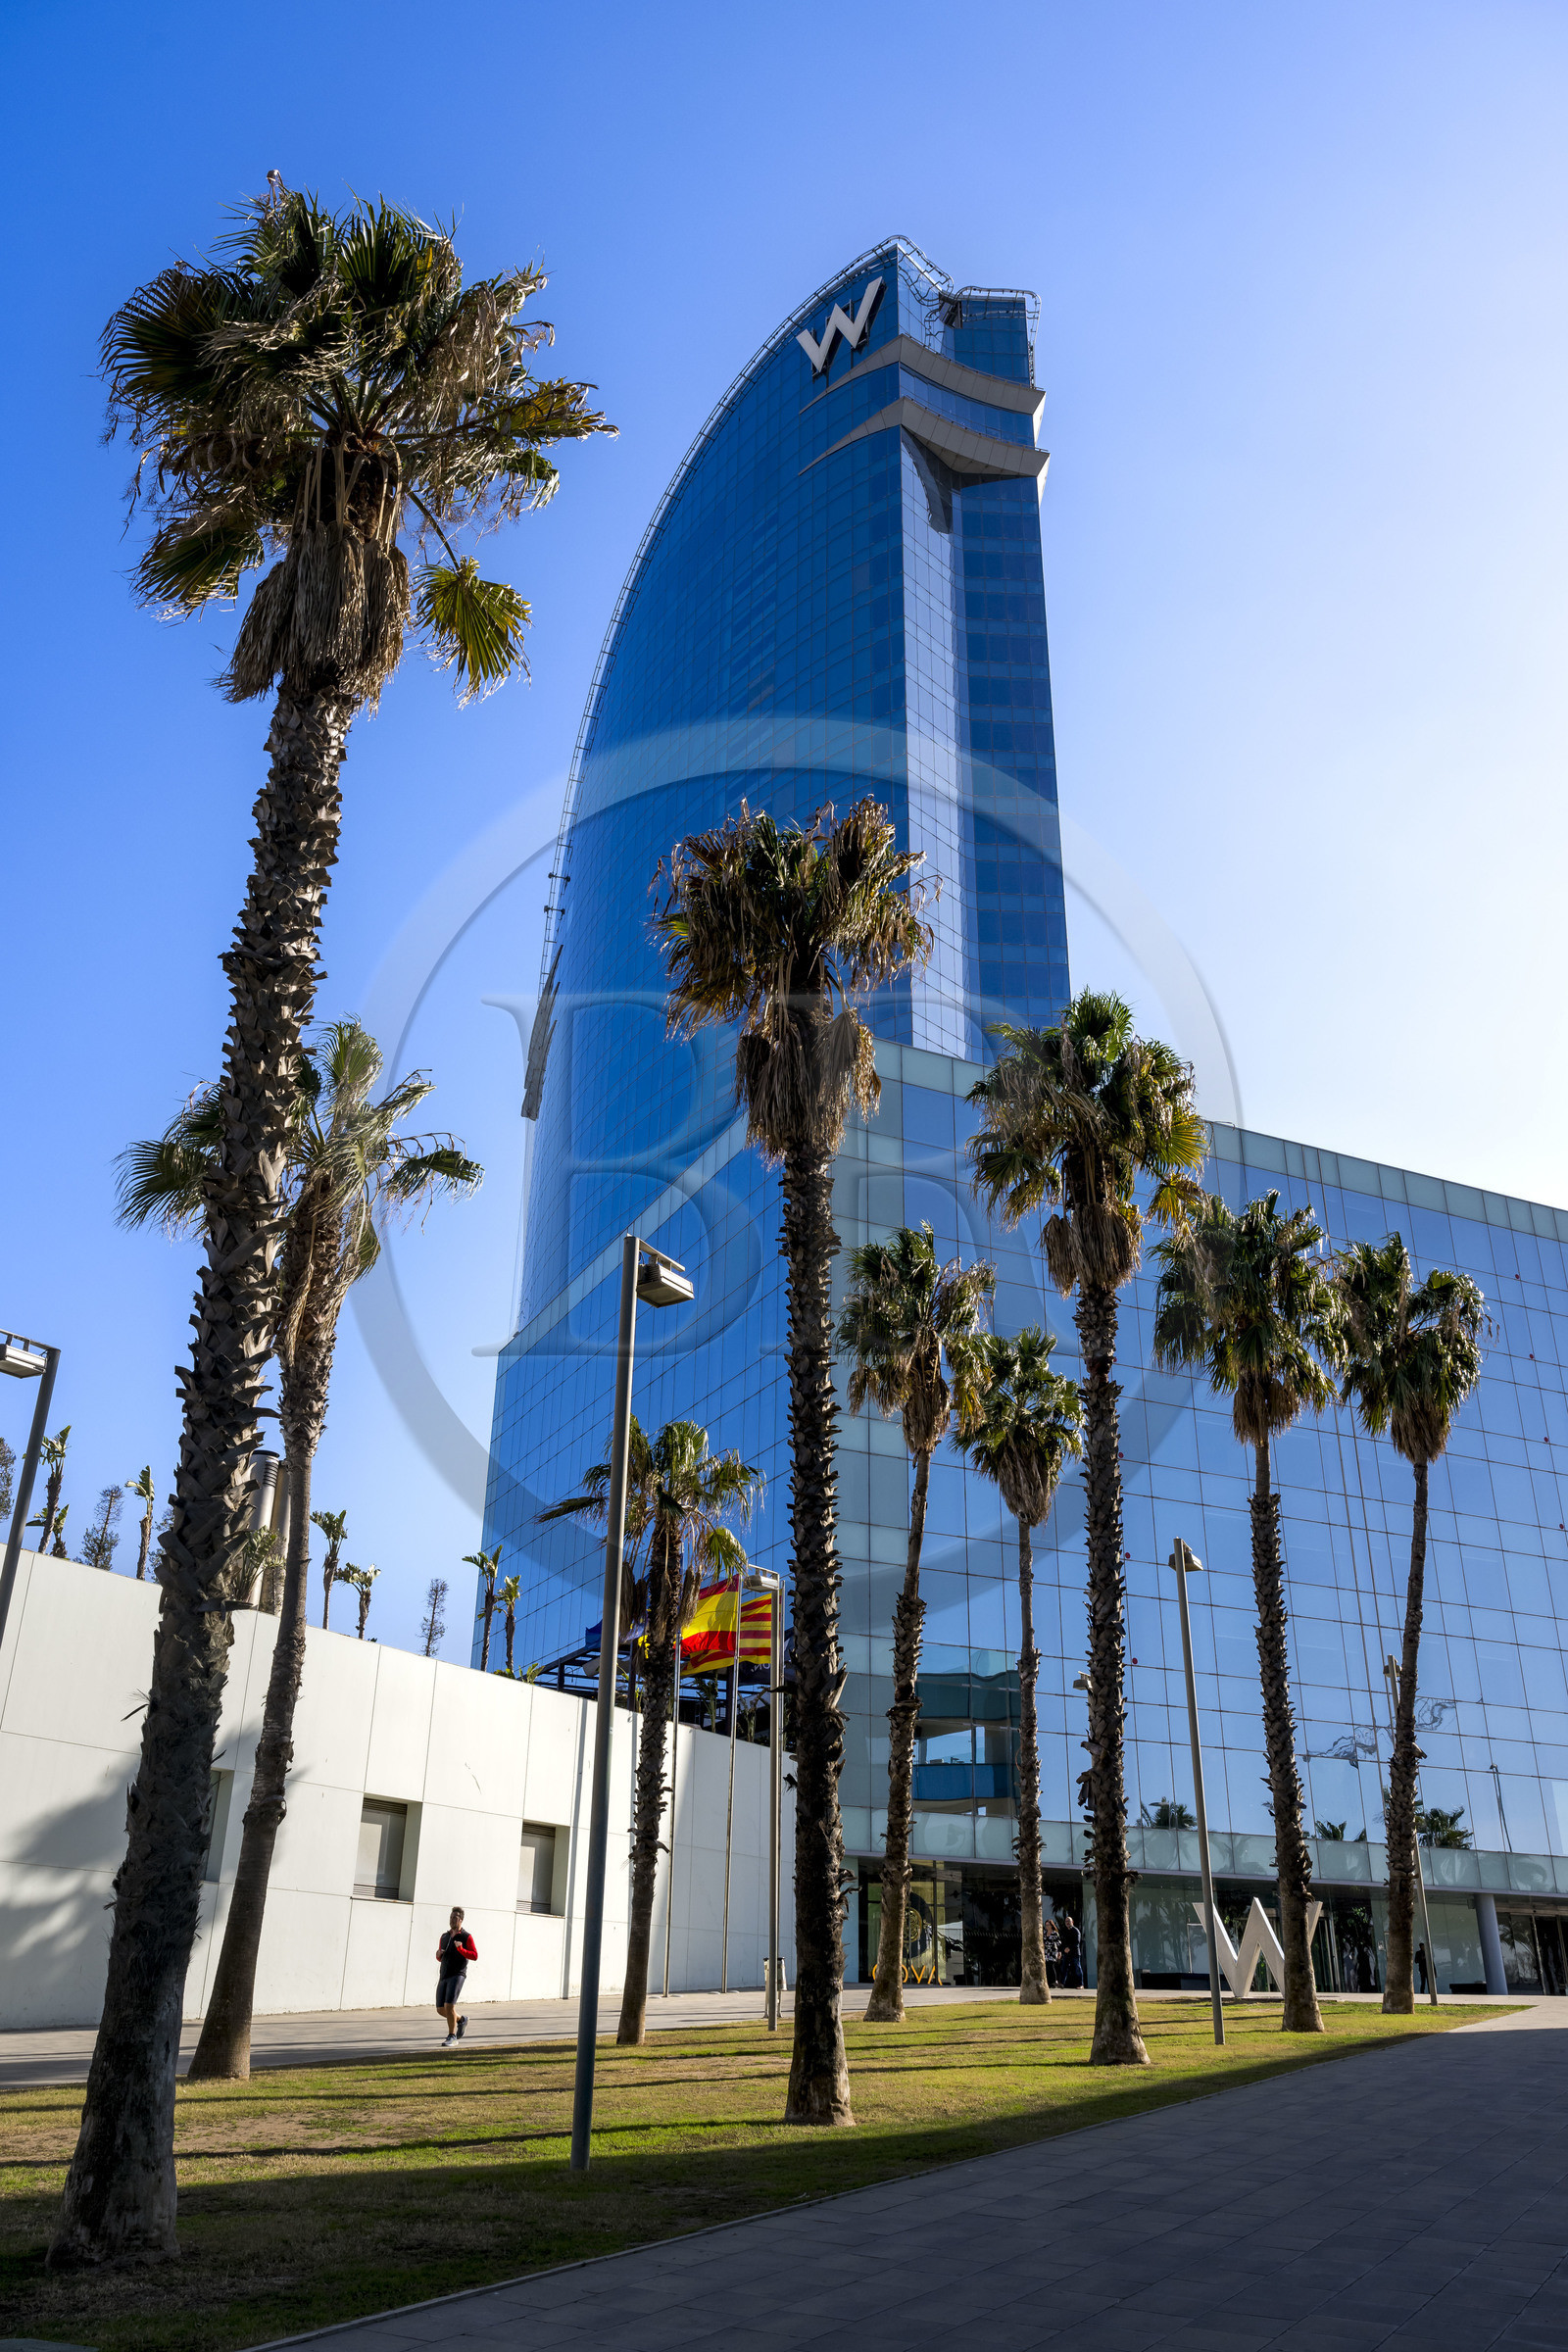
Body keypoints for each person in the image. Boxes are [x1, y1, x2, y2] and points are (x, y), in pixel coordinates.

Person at [436, 1906, 477, 2045]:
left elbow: (474, 1955)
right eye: (451, 1917)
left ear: (461, 1920)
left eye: (455, 1918)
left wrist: (461, 1949)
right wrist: (438, 1956)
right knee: (440, 2009)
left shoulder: (466, 1937)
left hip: (457, 1974)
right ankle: (461, 2020)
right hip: (444, 1974)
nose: (452, 1920)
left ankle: (452, 2037)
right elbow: (442, 1957)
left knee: (449, 2006)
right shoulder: (444, 1936)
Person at [1059, 1913, 1083, 1988]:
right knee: (1064, 1968)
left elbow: (1077, 1942)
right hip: (1066, 1953)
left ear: (1072, 1922)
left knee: (1077, 1968)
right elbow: (1062, 1942)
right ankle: (1061, 1983)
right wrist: (1063, 1949)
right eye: (1066, 1921)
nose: (1067, 1922)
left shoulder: (1076, 1931)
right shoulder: (1064, 1931)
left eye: (1069, 1921)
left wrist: (1069, 1948)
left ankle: (1080, 1984)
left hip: (1075, 1953)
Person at [1044, 1915, 1061, 1989]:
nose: (1047, 1926)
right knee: (1047, 1966)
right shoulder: (1044, 1933)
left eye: (1048, 1925)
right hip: (1046, 1952)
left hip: (1053, 1951)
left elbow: (1059, 1943)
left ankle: (1054, 1981)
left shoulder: (1055, 1933)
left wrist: (1059, 1952)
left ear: (1051, 1925)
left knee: (1051, 1966)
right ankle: (1048, 1982)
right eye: (1046, 1925)